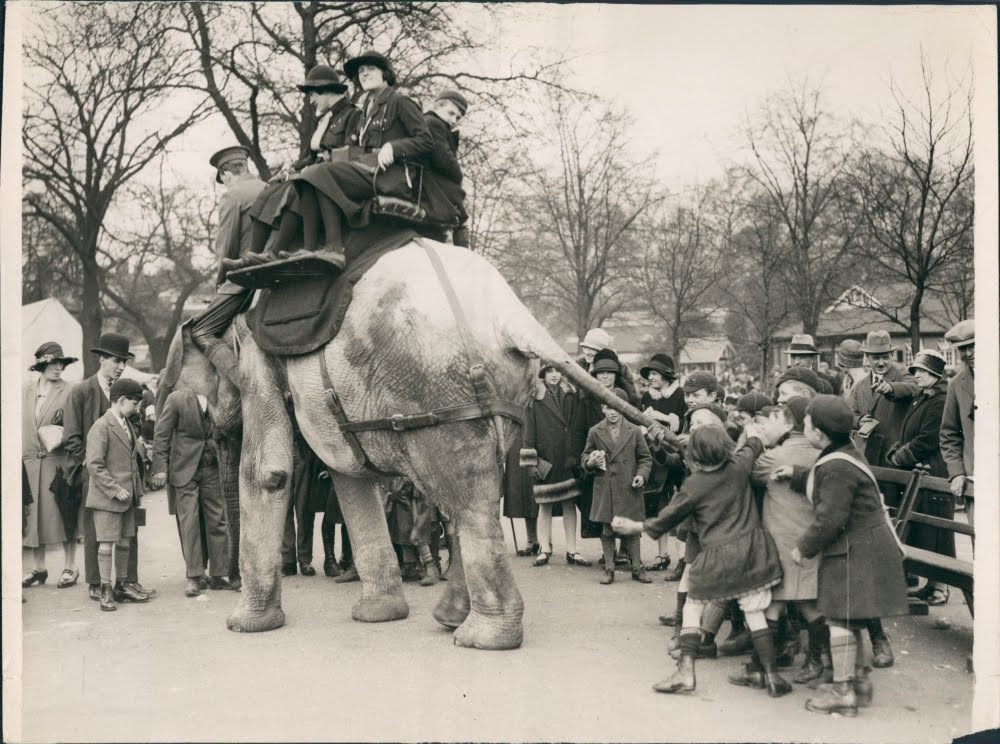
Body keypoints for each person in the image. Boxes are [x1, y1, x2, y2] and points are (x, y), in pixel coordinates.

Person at [616, 420, 789, 697]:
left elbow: (665, 519)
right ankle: (771, 675)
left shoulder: (693, 485)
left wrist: (633, 526)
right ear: (725, 448)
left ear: (693, 455)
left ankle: (686, 672)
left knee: (693, 608)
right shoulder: (738, 467)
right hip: (753, 551)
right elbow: (754, 444)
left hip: (717, 555)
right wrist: (755, 429)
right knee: (755, 612)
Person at [774, 395, 908, 716]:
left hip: (855, 551)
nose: (803, 427)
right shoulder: (843, 454)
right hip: (862, 547)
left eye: (805, 424)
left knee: (840, 619)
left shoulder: (835, 465)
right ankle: (856, 684)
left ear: (818, 434)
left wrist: (802, 547)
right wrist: (795, 474)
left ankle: (843, 690)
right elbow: (825, 482)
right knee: (848, 617)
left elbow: (830, 516)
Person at [284, 50, 435, 263]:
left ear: (385, 74)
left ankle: (334, 248)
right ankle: (309, 249)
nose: (364, 74)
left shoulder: (400, 101)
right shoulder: (368, 106)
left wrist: (393, 147)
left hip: (393, 176)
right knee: (308, 175)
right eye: (361, 71)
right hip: (369, 170)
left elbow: (426, 141)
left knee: (320, 172)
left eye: (371, 69)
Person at [737, 397, 828, 687]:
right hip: (810, 539)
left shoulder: (777, 456)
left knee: (777, 602)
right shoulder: (821, 451)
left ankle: (763, 666)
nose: (768, 426)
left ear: (791, 423)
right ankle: (814, 659)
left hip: (782, 541)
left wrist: (752, 439)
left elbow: (745, 473)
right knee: (803, 602)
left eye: (775, 419)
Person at [236, 66, 361, 266]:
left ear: (326, 91)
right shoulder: (324, 119)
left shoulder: (352, 115)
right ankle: (252, 255)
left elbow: (349, 154)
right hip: (312, 172)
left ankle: (276, 252)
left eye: (313, 95)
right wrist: (288, 171)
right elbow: (308, 157)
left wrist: (318, 163)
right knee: (270, 191)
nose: (311, 101)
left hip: (328, 178)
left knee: (295, 192)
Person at [64, 332, 155, 601]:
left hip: (128, 474)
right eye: (116, 360)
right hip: (94, 473)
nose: (120, 366)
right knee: (97, 530)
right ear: (101, 359)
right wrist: (90, 465)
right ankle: (96, 582)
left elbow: (136, 424)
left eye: (123, 362)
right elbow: (71, 436)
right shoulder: (81, 391)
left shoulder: (128, 390)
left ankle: (128, 581)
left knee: (131, 528)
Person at [188, 145, 266, 387]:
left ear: (225, 173)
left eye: (223, 179)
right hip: (276, 265)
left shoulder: (233, 195)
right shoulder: (268, 188)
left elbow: (225, 250)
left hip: (246, 276)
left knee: (200, 331)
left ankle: (244, 384)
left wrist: (220, 281)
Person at [886, 349, 953, 606]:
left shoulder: (940, 400)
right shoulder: (923, 396)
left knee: (936, 529)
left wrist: (901, 456)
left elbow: (928, 438)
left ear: (935, 374)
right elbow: (910, 431)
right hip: (921, 470)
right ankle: (931, 584)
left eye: (923, 372)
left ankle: (941, 587)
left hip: (933, 469)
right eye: (915, 371)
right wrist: (899, 449)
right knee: (925, 529)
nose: (918, 375)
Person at [151, 389, 230, 596]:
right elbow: (161, 434)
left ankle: (219, 575)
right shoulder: (177, 398)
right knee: (189, 523)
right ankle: (194, 576)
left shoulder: (218, 395)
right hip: (184, 469)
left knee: (218, 520)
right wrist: (160, 467)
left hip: (212, 466)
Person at [85, 379, 152, 611]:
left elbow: (132, 462)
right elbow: (94, 464)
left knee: (124, 541)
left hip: (128, 497)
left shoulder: (126, 423)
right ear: (121, 400)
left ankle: (122, 584)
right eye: (134, 403)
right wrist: (115, 489)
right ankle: (105, 589)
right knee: (106, 544)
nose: (137, 408)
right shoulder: (101, 426)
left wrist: (137, 491)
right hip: (108, 498)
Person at [22, 343, 82, 589]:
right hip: (30, 464)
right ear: (41, 365)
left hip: (58, 462)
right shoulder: (25, 390)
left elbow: (77, 427)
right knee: (33, 517)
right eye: (53, 363)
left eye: (62, 363)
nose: (58, 368)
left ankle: (71, 566)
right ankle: (39, 568)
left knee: (64, 512)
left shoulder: (70, 391)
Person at [581, 388, 652, 584]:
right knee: (608, 528)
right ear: (602, 409)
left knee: (632, 530)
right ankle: (609, 568)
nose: (612, 412)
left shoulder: (635, 431)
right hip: (606, 489)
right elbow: (585, 457)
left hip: (629, 488)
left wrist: (641, 475)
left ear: (623, 409)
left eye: (616, 408)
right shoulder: (595, 431)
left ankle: (637, 568)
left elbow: (645, 458)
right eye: (607, 408)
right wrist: (590, 462)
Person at [520, 364, 588, 567]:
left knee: (569, 504)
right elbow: (529, 430)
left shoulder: (571, 394)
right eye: (549, 371)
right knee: (545, 505)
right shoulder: (534, 398)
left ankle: (572, 550)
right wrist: (532, 461)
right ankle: (544, 548)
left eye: (558, 371)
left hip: (567, 457)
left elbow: (577, 425)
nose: (554, 375)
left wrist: (576, 454)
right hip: (546, 458)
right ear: (543, 374)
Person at [638, 353, 687, 573]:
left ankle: (683, 557)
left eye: (655, 373)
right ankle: (663, 554)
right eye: (649, 374)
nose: (651, 378)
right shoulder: (646, 397)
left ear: (666, 375)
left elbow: (679, 425)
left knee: (680, 504)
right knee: (660, 503)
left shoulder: (679, 395)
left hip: (676, 455)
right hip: (655, 454)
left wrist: (657, 415)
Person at [848, 329, 919, 465]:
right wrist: (859, 421)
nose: (881, 363)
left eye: (885, 357)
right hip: (867, 454)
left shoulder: (903, 375)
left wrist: (891, 388)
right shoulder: (860, 385)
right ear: (867, 357)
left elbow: (914, 386)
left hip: (893, 454)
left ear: (892, 355)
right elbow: (850, 414)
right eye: (876, 358)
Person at [423, 89, 471, 245]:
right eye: (451, 113)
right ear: (437, 107)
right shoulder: (434, 123)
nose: (454, 120)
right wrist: (459, 175)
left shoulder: (434, 124)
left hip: (431, 177)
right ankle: (464, 253)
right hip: (431, 179)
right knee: (461, 217)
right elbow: (444, 160)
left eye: (458, 117)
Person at [939, 320, 975, 528]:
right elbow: (949, 433)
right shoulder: (957, 385)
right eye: (963, 348)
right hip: (975, 482)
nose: (969, 353)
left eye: (974, 345)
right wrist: (957, 472)